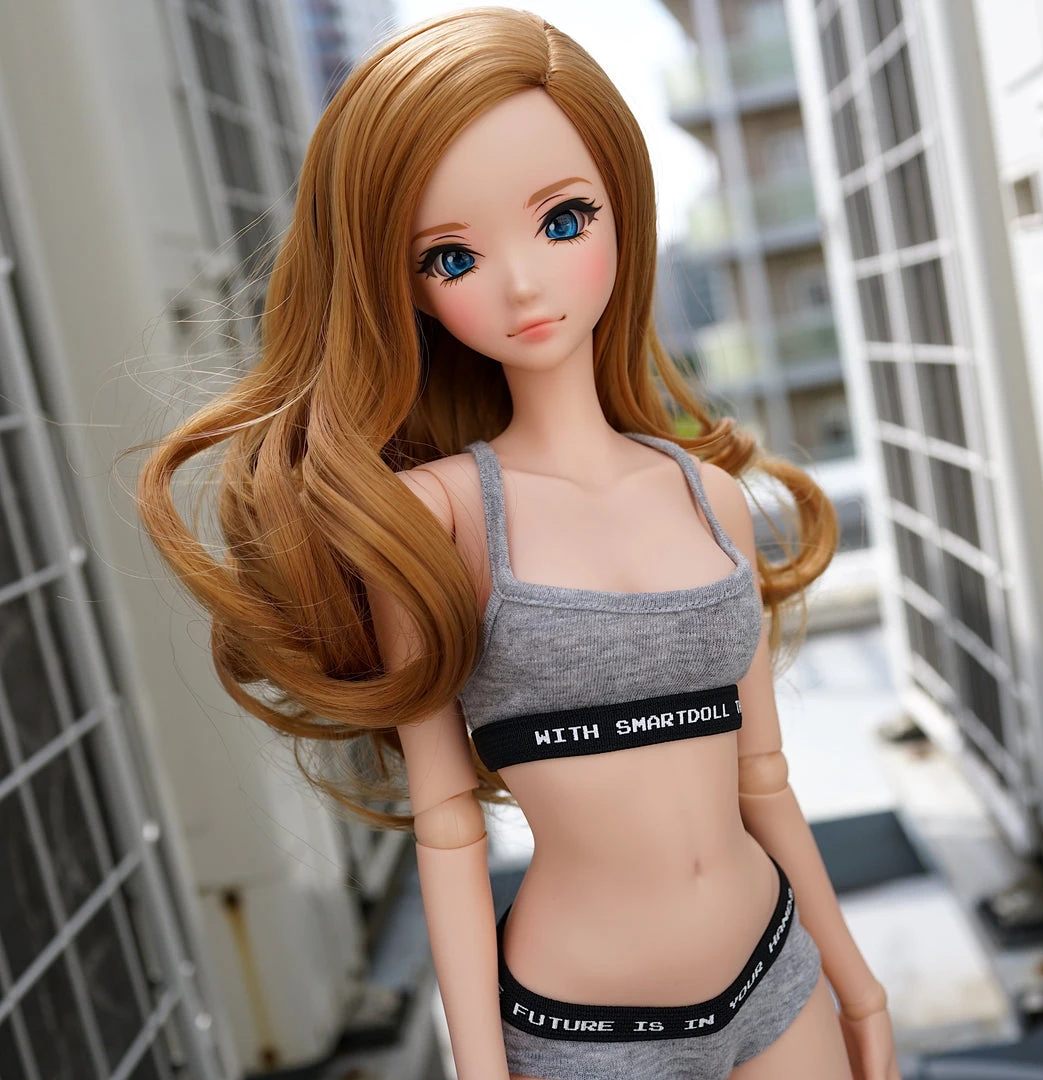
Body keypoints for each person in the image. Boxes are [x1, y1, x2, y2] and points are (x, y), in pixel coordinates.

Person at [135, 8, 901, 1079]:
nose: (524, 284)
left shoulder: (711, 499)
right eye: (453, 256)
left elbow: (762, 779)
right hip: (589, 1028)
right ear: (406, 288)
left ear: (622, 208)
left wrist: (855, 981)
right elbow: (448, 827)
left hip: (779, 973)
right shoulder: (436, 521)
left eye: (564, 219)